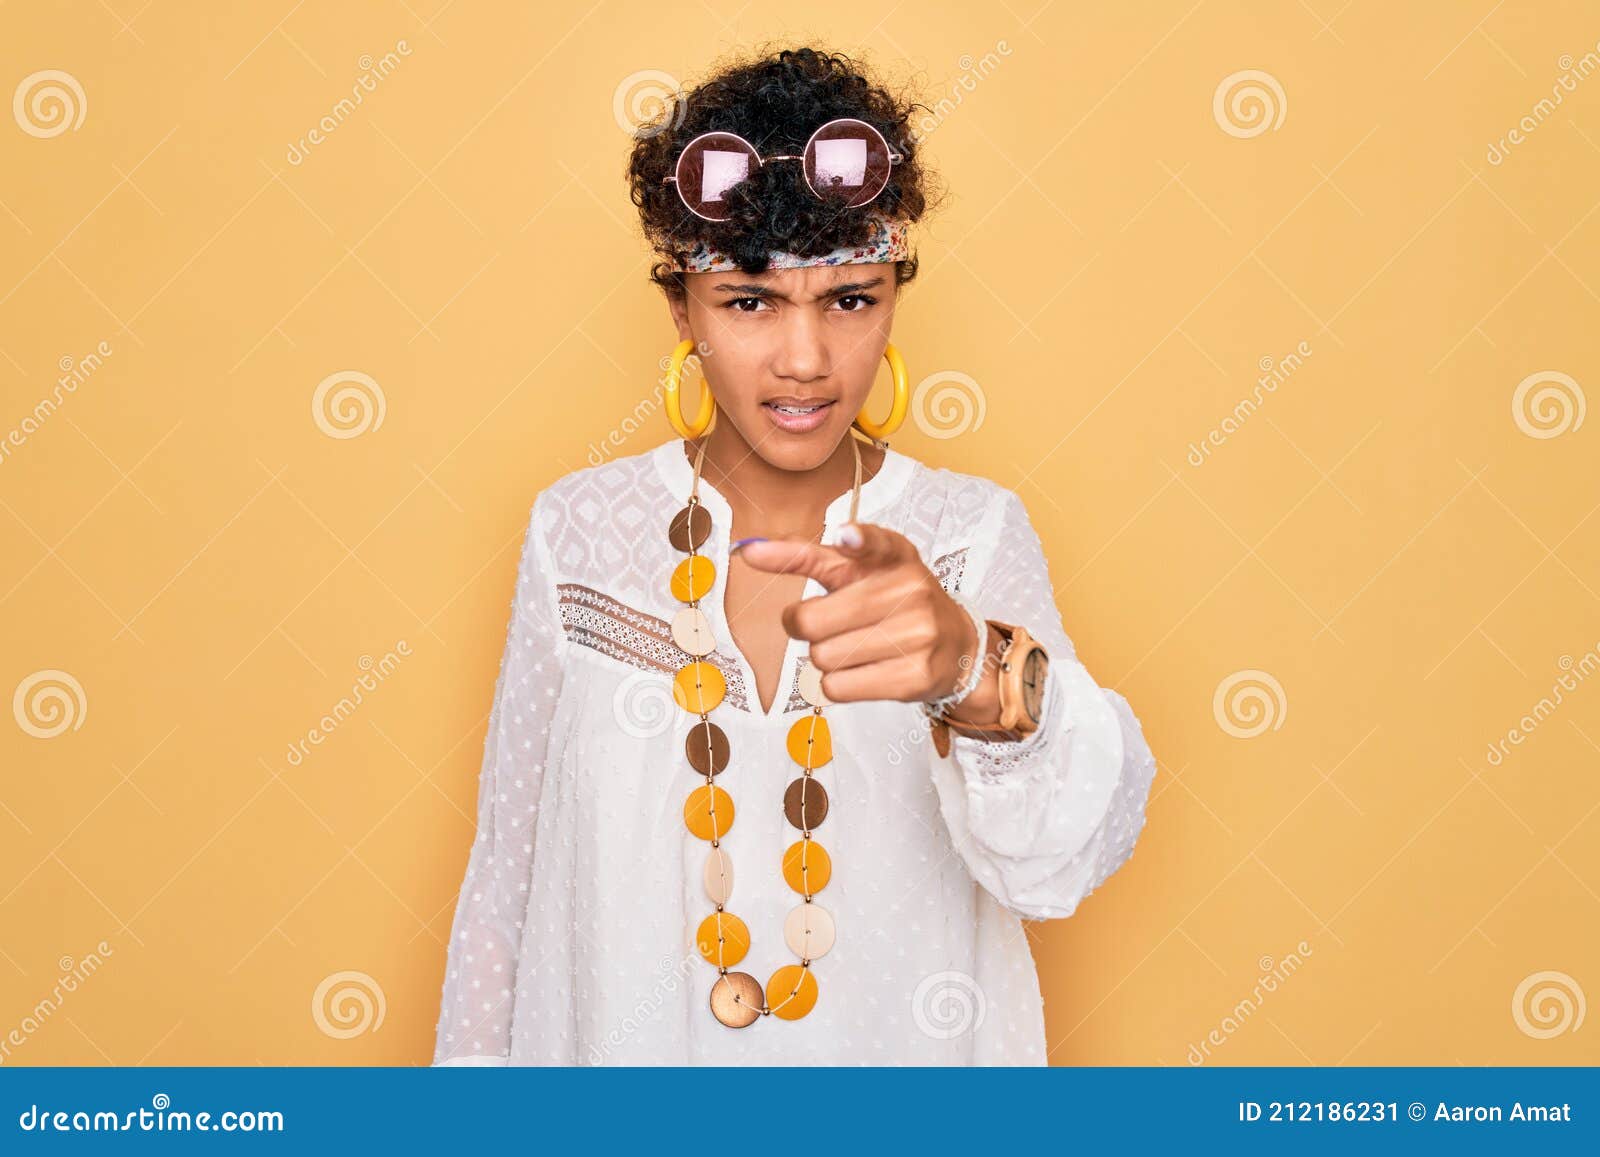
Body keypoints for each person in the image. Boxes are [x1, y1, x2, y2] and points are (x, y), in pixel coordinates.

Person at [432, 45, 1157, 1066]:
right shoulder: (576, 532)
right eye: (750, 301)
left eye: (849, 299)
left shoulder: (969, 531)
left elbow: (1061, 861)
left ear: (894, 296)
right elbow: (506, 882)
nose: (806, 358)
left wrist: (970, 670)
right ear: (680, 310)